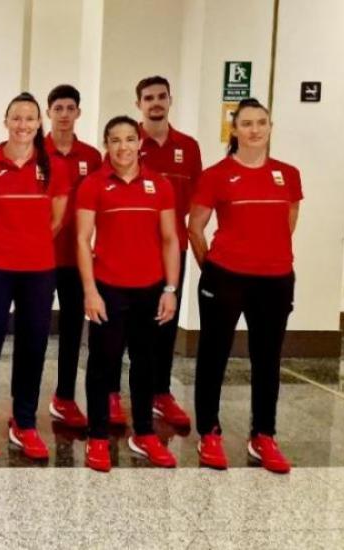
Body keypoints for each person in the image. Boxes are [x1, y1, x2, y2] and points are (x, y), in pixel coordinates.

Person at [188, 98, 300, 474]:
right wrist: (213, 269)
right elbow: (195, 228)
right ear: (234, 130)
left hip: (276, 279)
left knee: (267, 358)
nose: (255, 130)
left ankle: (263, 435)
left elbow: (288, 220)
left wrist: (267, 254)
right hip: (226, 276)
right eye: (247, 123)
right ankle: (209, 432)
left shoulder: (288, 174)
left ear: (270, 127)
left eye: (261, 123)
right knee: (213, 355)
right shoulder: (216, 175)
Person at [0, 92, 70, 461]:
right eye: (16, 118)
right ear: (6, 122)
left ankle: (24, 422)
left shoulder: (54, 167)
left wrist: (30, 246)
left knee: (33, 346)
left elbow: (57, 220)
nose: (23, 125)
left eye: (30, 118)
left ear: (39, 123)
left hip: (38, 272)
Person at [75, 116, 180, 473]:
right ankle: (98, 436)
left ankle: (145, 434)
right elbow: (82, 239)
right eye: (115, 140)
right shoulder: (93, 184)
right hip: (108, 288)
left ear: (139, 143)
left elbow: (170, 239)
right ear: (106, 145)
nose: (123, 147)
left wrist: (170, 289)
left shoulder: (160, 185)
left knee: (145, 363)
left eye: (130, 139)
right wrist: (90, 290)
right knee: (102, 364)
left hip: (150, 289)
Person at [135, 76, 202, 429]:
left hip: (173, 249)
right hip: (132, 250)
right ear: (139, 104)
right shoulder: (127, 141)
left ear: (170, 100)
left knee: (165, 322)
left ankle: (160, 392)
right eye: (149, 98)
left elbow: (195, 199)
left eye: (161, 96)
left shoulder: (188, 147)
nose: (156, 103)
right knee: (127, 324)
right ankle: (115, 392)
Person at [43, 85, 103, 429]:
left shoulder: (92, 157)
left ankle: (64, 397)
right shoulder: (36, 152)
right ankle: (24, 404)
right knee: (33, 331)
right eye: (58, 108)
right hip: (39, 258)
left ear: (78, 112)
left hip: (76, 257)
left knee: (71, 329)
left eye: (70, 108)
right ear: (49, 113)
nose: (64, 114)